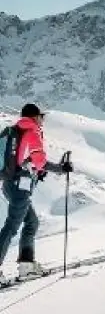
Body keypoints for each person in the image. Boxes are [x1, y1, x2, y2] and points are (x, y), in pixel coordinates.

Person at [0, 104, 73, 286]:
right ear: (34, 117)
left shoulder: (15, 130)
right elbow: (40, 162)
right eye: (41, 116)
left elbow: (25, 161)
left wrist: (35, 170)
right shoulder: (32, 131)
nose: (42, 120)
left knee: (31, 222)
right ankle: (24, 266)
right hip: (20, 188)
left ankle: (26, 265)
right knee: (11, 227)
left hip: (9, 185)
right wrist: (61, 168)